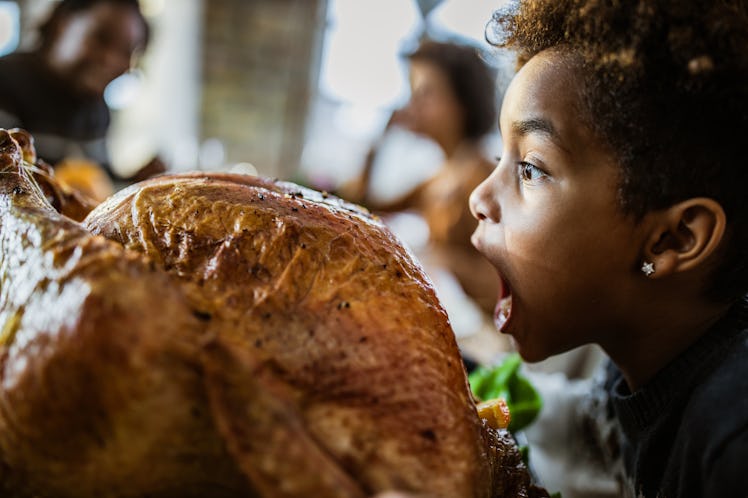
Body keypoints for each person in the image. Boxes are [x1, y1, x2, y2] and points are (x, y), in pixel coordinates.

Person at [466, 0, 748, 497]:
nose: (479, 197)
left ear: (671, 240)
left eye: (530, 168)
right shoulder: (634, 379)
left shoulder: (731, 442)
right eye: (499, 157)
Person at [343, 40, 502, 332]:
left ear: (462, 102)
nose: (411, 105)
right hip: (450, 323)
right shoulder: (438, 176)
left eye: (426, 93)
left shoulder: (484, 178)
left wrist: (440, 261)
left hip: (482, 336)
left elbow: (502, 282)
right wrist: (379, 140)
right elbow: (363, 205)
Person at [0, 0, 163, 200]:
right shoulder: (6, 81)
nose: (110, 60)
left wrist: (135, 181)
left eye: (127, 52)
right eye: (101, 38)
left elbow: (97, 182)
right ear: (62, 24)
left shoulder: (98, 110)